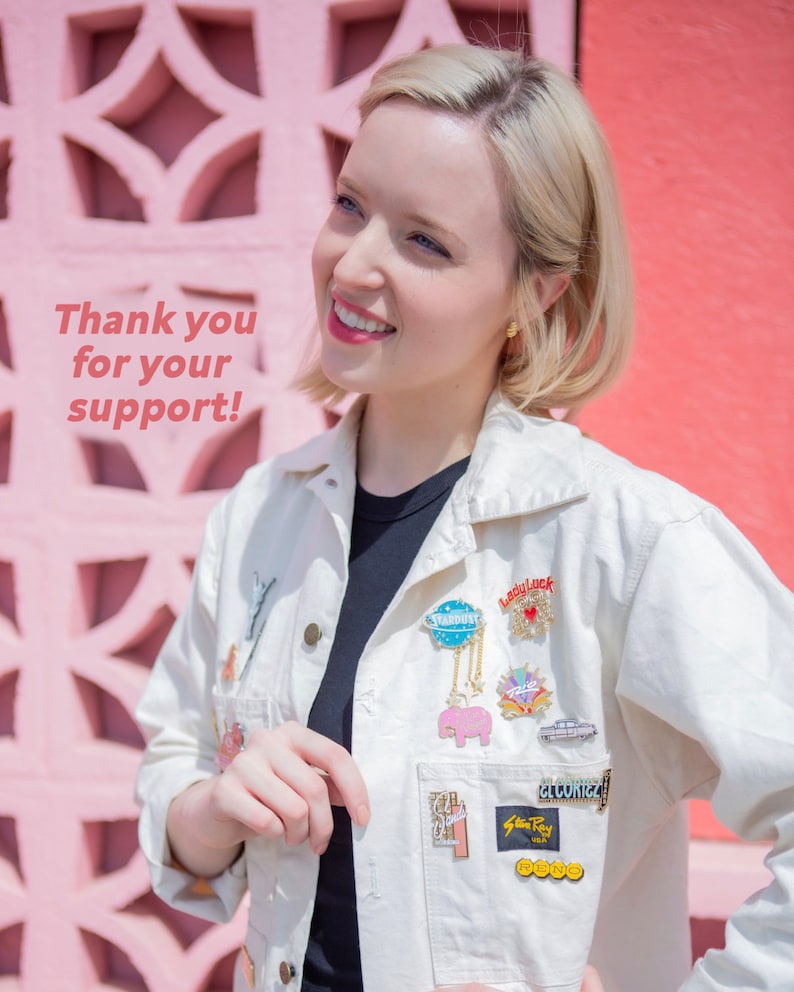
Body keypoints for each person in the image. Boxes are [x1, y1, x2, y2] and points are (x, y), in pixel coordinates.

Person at [135, 44, 794, 992]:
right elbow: (173, 762)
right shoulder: (257, 519)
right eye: (350, 204)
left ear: (533, 295)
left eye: (425, 242)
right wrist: (208, 811)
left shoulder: (626, 541)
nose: (353, 264)